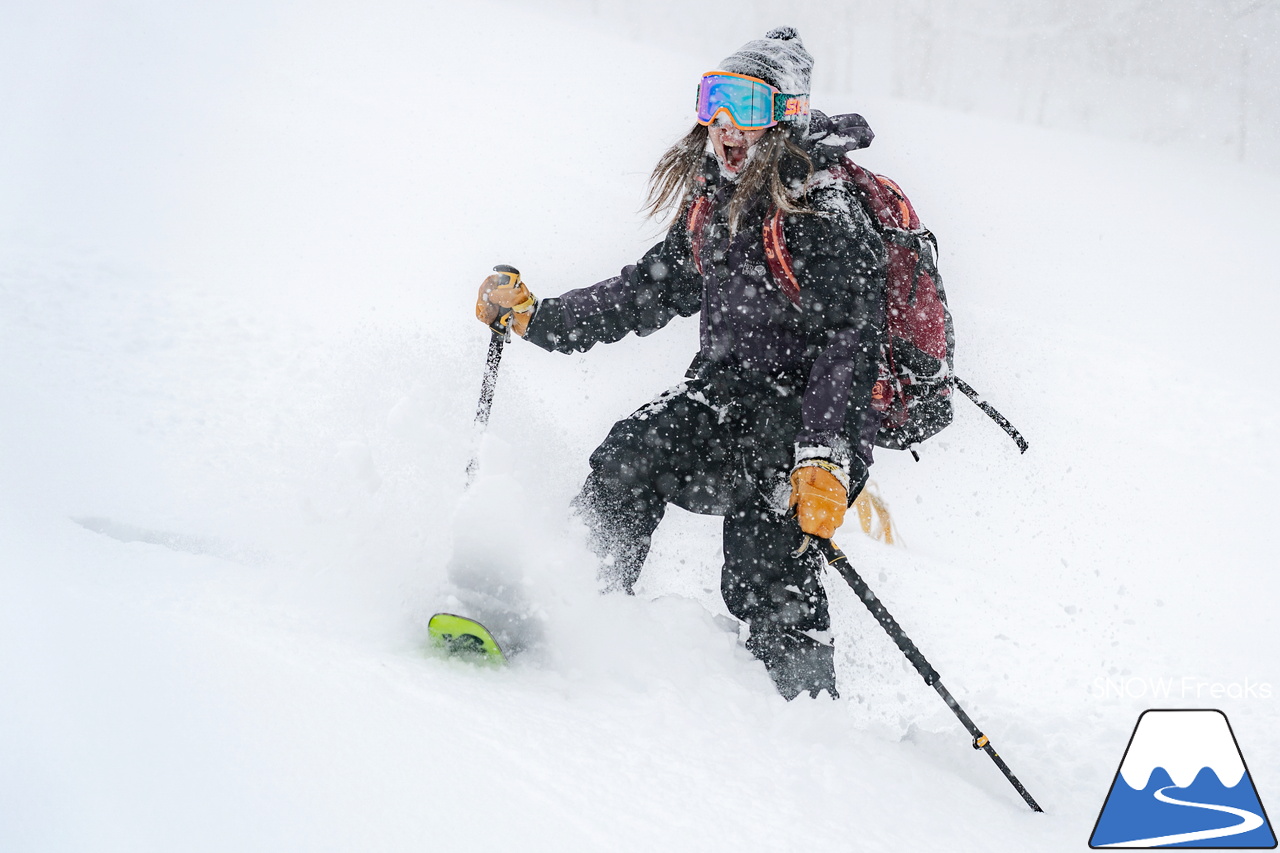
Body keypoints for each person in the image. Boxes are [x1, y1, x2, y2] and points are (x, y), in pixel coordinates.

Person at [475, 27, 887, 700]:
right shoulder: (716, 200)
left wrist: (823, 456)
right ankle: (568, 610)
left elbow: (851, 344)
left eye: (745, 104)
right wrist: (539, 318)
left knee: (761, 569)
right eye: (713, 98)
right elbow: (649, 289)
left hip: (809, 428)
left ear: (784, 115)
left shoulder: (824, 210)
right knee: (629, 456)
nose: (724, 122)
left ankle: (807, 719)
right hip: (723, 398)